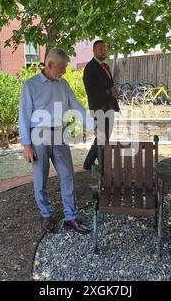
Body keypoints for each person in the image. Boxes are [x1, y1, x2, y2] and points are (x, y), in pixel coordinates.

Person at [18, 48, 104, 235]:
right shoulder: (30, 86)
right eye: (62, 68)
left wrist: (93, 126)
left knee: (67, 175)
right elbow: (23, 116)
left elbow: (77, 107)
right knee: (40, 179)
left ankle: (71, 218)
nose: (64, 72)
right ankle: (46, 215)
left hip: (59, 135)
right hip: (38, 136)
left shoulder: (63, 85)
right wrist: (26, 145)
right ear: (49, 65)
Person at [82, 40, 120, 170]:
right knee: (102, 138)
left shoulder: (105, 66)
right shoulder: (90, 68)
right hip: (99, 109)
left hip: (109, 107)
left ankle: (88, 163)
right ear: (94, 51)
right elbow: (91, 91)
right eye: (100, 49)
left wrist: (113, 91)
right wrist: (109, 92)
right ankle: (103, 169)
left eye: (105, 48)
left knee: (104, 137)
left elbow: (108, 85)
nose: (104, 51)